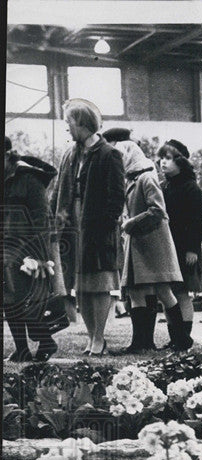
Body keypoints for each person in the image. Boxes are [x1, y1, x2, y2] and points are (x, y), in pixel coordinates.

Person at [51, 98, 125, 356]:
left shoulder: (109, 153)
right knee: (80, 285)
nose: (66, 127)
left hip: (97, 227)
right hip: (72, 225)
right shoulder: (70, 154)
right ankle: (92, 336)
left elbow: (117, 197)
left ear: (81, 123)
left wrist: (105, 227)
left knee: (100, 282)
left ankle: (99, 337)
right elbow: (59, 190)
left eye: (68, 122)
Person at [111, 139, 184, 354]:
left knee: (163, 290)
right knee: (136, 291)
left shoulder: (146, 177)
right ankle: (141, 342)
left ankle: (181, 339)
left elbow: (158, 210)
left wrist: (130, 223)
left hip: (153, 243)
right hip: (140, 243)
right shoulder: (133, 179)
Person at [4, 135, 60, 362]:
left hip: (28, 249)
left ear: (7, 155)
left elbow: (42, 221)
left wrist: (38, 256)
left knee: (27, 300)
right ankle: (22, 349)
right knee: (9, 300)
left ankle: (47, 342)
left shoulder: (30, 180)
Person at [158, 139, 202, 350]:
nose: (163, 162)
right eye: (161, 158)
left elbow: (199, 221)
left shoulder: (191, 188)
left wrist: (192, 248)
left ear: (181, 161)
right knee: (168, 292)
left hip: (184, 249)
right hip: (167, 247)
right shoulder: (164, 187)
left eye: (168, 158)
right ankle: (175, 336)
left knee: (182, 292)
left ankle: (184, 336)